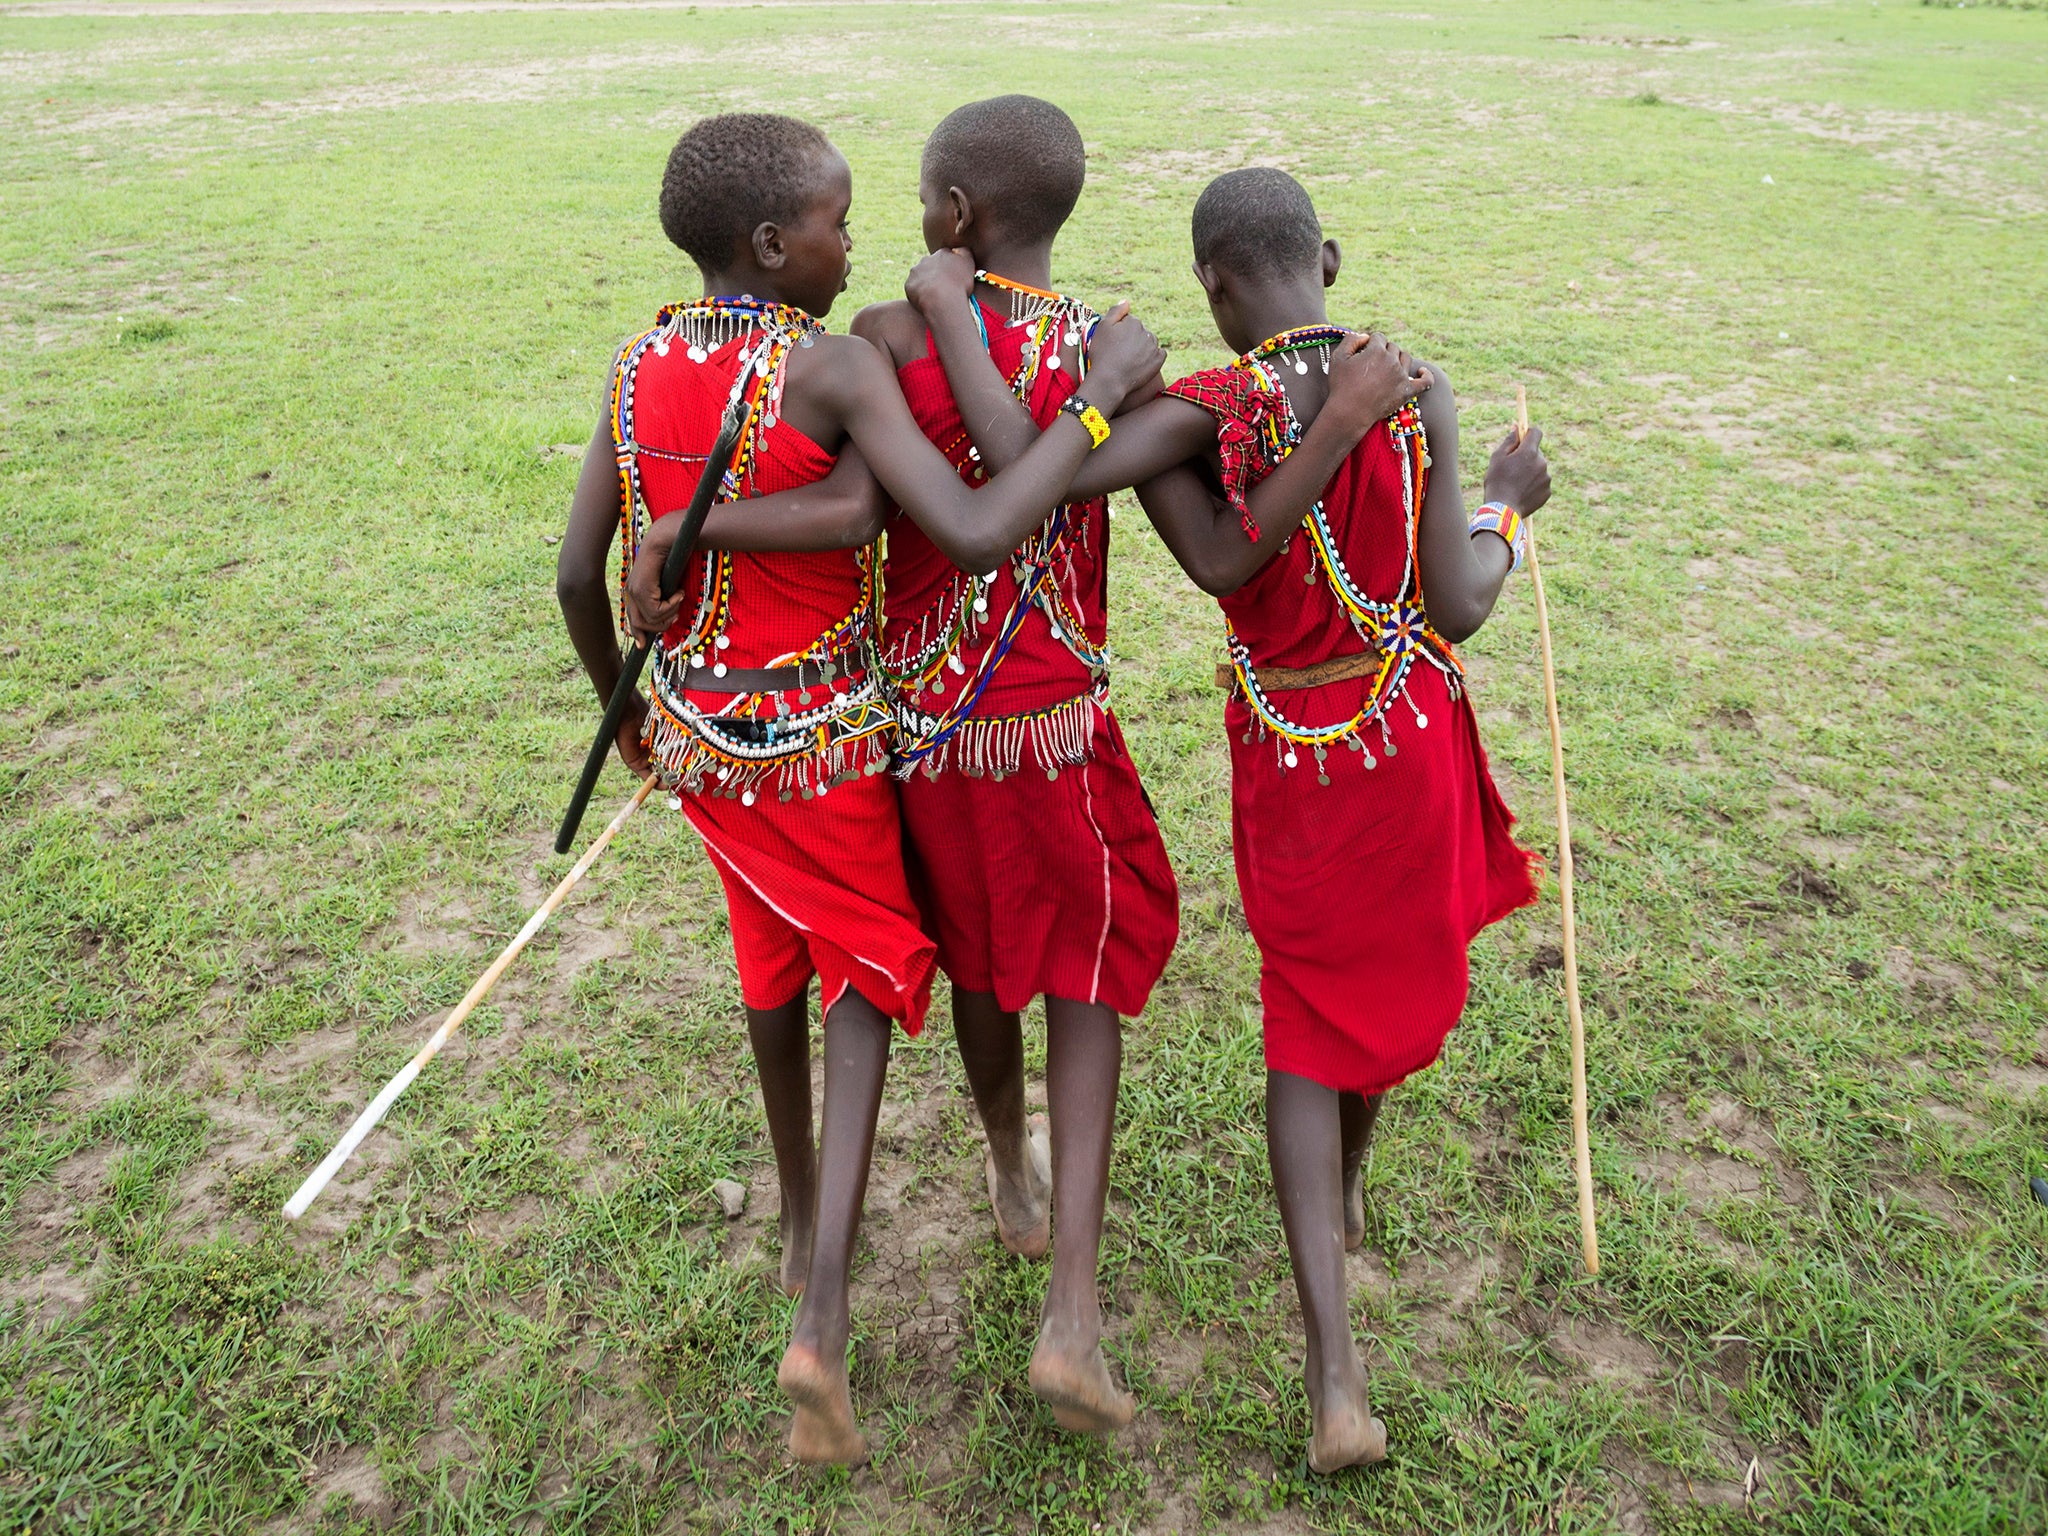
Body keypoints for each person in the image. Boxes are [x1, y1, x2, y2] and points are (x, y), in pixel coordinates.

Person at [553, 111, 1164, 1467]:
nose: (852, 237)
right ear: (776, 245)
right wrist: (1107, 394)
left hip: (707, 742)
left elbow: (574, 574)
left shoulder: (649, 356)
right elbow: (953, 521)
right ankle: (826, 1313)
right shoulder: (836, 365)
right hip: (828, 746)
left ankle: (795, 1218)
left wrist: (633, 706)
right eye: (834, 219)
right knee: (875, 975)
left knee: (773, 962)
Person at [853, 95, 1432, 1437]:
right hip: (1053, 727)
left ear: (952, 219)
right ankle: (1070, 1316)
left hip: (927, 730)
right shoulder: (1109, 354)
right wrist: (1104, 401)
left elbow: (894, 491)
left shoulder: (884, 338)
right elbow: (1064, 485)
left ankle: (1009, 1166)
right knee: (1087, 976)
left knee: (979, 957)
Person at [1135, 167, 1553, 1472]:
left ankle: (1335, 1382)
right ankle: (1352, 1189)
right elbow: (1464, 600)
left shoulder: (1192, 415)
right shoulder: (1412, 386)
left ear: (1213, 289)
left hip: (1295, 756)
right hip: (1406, 739)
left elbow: (1208, 551)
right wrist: (1507, 504)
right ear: (1328, 257)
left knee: (1307, 1020)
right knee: (1356, 1007)